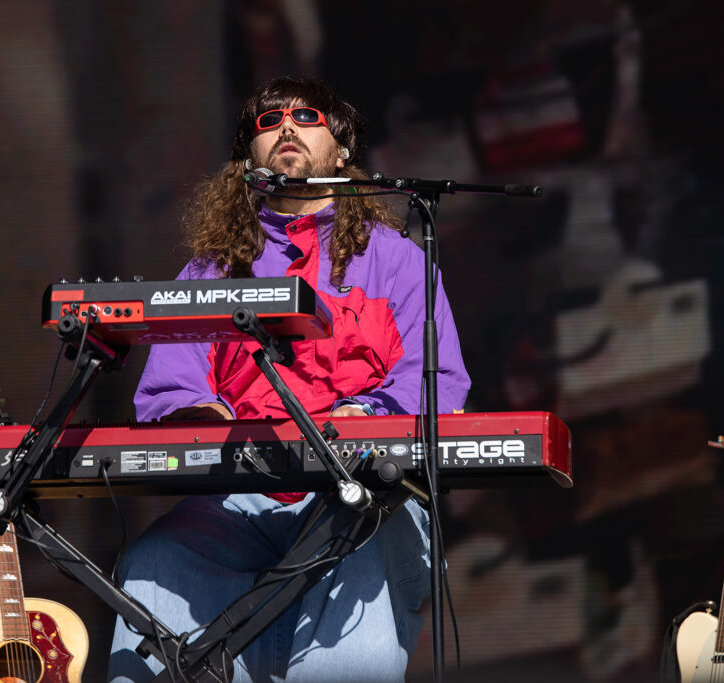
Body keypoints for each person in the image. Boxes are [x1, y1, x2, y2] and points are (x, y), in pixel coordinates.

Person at [109, 76, 469, 682]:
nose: (285, 128)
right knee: (156, 561)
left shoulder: (398, 259)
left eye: (306, 116)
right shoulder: (210, 271)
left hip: (365, 494)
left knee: (360, 557)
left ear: (342, 149)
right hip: (237, 502)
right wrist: (195, 415)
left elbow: (436, 383)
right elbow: (171, 389)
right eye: (266, 121)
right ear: (248, 157)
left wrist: (372, 416)